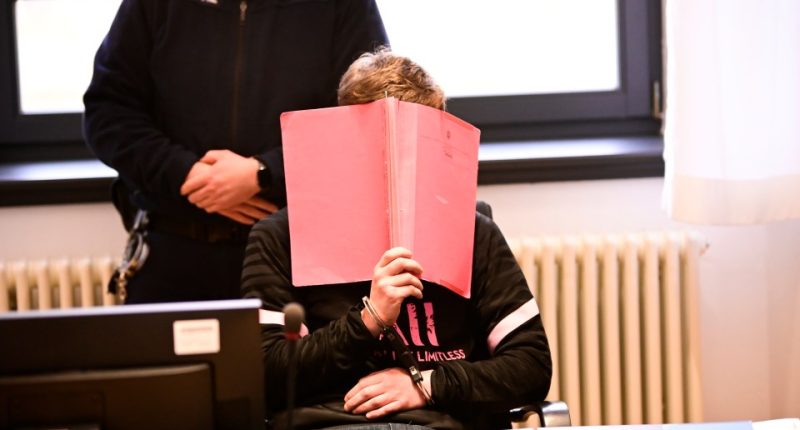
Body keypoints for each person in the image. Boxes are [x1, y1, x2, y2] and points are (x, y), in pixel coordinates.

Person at [242, 49, 552, 430]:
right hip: (332, 423)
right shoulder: (279, 237)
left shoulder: (475, 233)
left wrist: (428, 384)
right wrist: (368, 321)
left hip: (441, 419)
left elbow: (531, 366)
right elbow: (265, 376)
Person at [83, 0, 388, 303]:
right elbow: (108, 114)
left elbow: (369, 122)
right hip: (173, 252)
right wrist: (188, 175)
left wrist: (265, 173)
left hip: (297, 257)